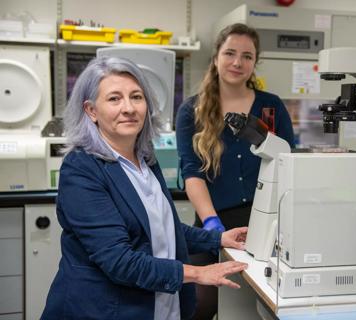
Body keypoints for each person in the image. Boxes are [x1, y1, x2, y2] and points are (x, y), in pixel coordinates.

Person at [41, 56, 249, 320]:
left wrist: (219, 238)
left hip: (160, 307)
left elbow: (162, 230)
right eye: (114, 98)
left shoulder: (145, 158)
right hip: (105, 311)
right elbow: (119, 261)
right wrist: (198, 273)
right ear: (91, 111)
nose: (128, 108)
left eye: (136, 97)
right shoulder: (81, 169)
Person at [175, 23, 295, 319]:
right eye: (230, 53)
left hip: (266, 221)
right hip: (213, 222)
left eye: (247, 56)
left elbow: (288, 163)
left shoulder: (271, 107)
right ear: (216, 57)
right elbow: (192, 174)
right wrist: (212, 225)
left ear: (255, 63)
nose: (237, 62)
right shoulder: (192, 111)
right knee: (199, 304)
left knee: (265, 301)